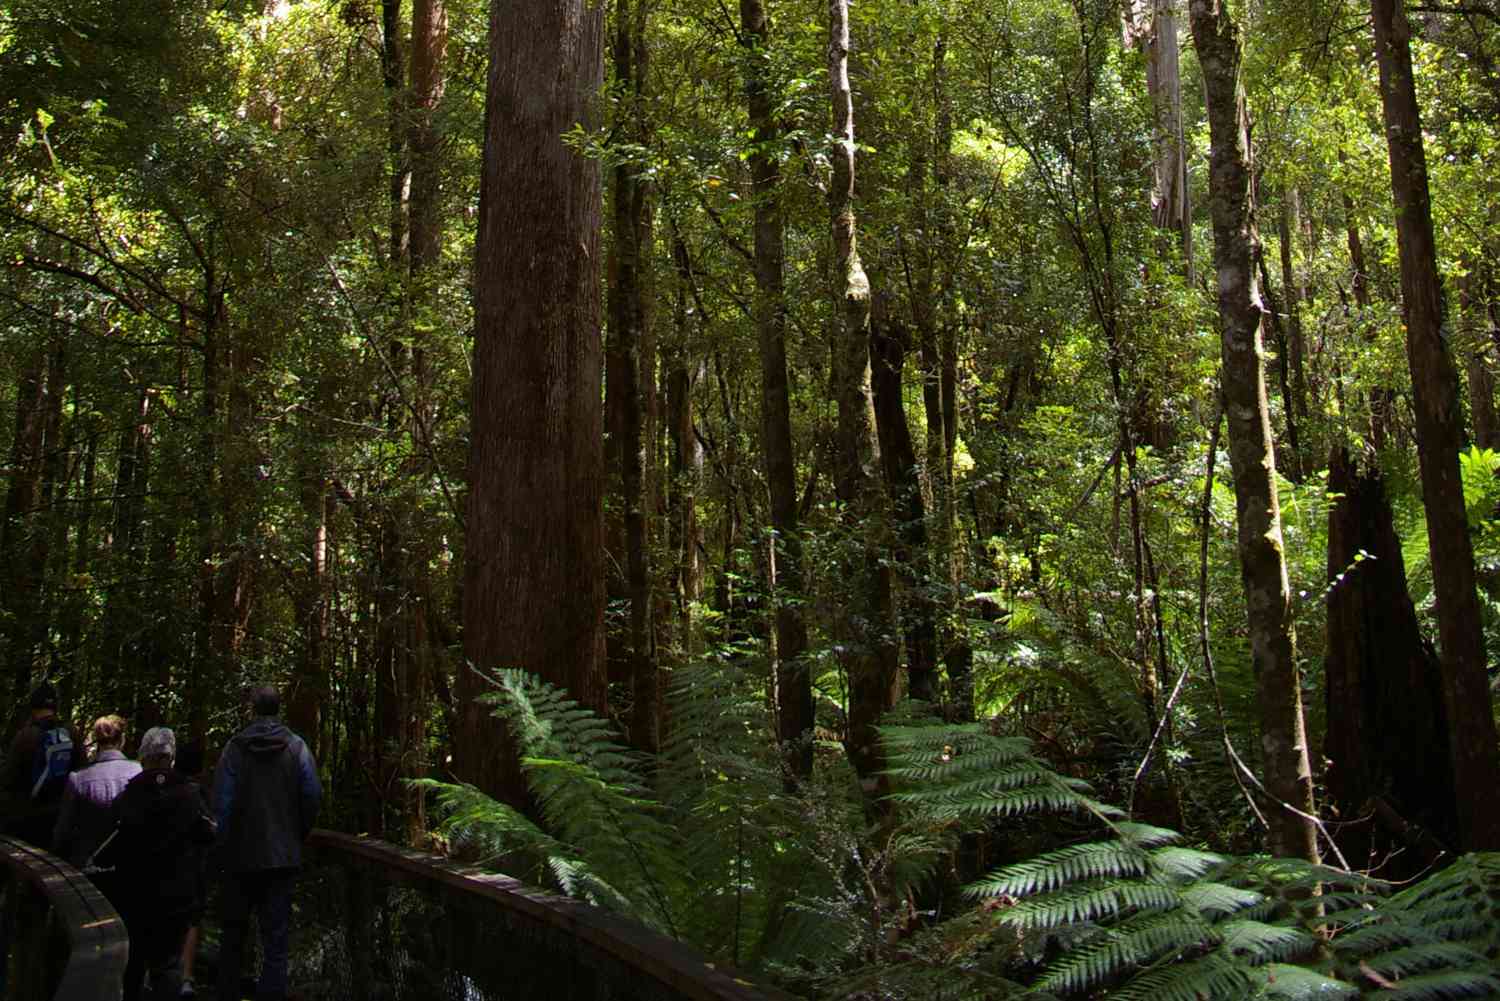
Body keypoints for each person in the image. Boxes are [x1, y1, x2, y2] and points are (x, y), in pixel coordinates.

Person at [213, 685, 321, 1001]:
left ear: (253, 709)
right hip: (282, 856)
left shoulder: (235, 748)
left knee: (233, 933)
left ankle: (226, 994)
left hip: (239, 857)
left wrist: (224, 844)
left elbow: (223, 802)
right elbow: (312, 795)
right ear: (278, 708)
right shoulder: (296, 747)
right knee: (276, 938)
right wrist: (297, 834)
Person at [94, 727, 215, 1001]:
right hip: (176, 899)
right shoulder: (190, 794)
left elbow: (110, 844)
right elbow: (208, 834)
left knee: (132, 966)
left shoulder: (129, 795)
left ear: (143, 756)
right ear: (171, 757)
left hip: (133, 897)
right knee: (168, 967)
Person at [1, 682, 85, 848]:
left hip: (27, 818)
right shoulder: (71, 732)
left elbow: (8, 779)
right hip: (61, 817)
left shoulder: (25, 735)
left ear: (33, 707)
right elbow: (82, 772)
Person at [52, 714, 142, 867]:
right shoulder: (138, 771)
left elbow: (62, 830)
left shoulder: (78, 778)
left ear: (97, 740)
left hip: (86, 867)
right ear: (122, 739)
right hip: (128, 865)